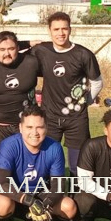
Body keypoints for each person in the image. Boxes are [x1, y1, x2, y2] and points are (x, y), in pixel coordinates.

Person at [0, 106, 80, 221]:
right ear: (20, 128)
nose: (35, 132)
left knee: (69, 207)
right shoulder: (8, 145)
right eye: (29, 127)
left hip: (39, 195)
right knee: (2, 203)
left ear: (46, 128)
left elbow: (58, 187)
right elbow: (1, 183)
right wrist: (29, 201)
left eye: (40, 127)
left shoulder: (54, 147)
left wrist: (44, 206)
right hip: (14, 195)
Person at [29, 12, 103, 176]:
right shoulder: (41, 51)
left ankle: (77, 193)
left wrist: (85, 101)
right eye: (56, 29)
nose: (60, 33)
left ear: (70, 29)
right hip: (49, 117)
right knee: (46, 164)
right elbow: (15, 57)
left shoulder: (83, 54)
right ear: (49, 30)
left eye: (64, 29)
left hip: (76, 119)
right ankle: (51, 192)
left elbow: (97, 82)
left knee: (78, 167)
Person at [0, 31, 39, 159]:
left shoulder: (31, 62)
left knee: (28, 165)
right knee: (4, 167)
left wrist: (29, 43)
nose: (7, 53)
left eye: (11, 49)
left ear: (18, 48)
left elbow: (55, 50)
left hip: (27, 126)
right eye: (2, 49)